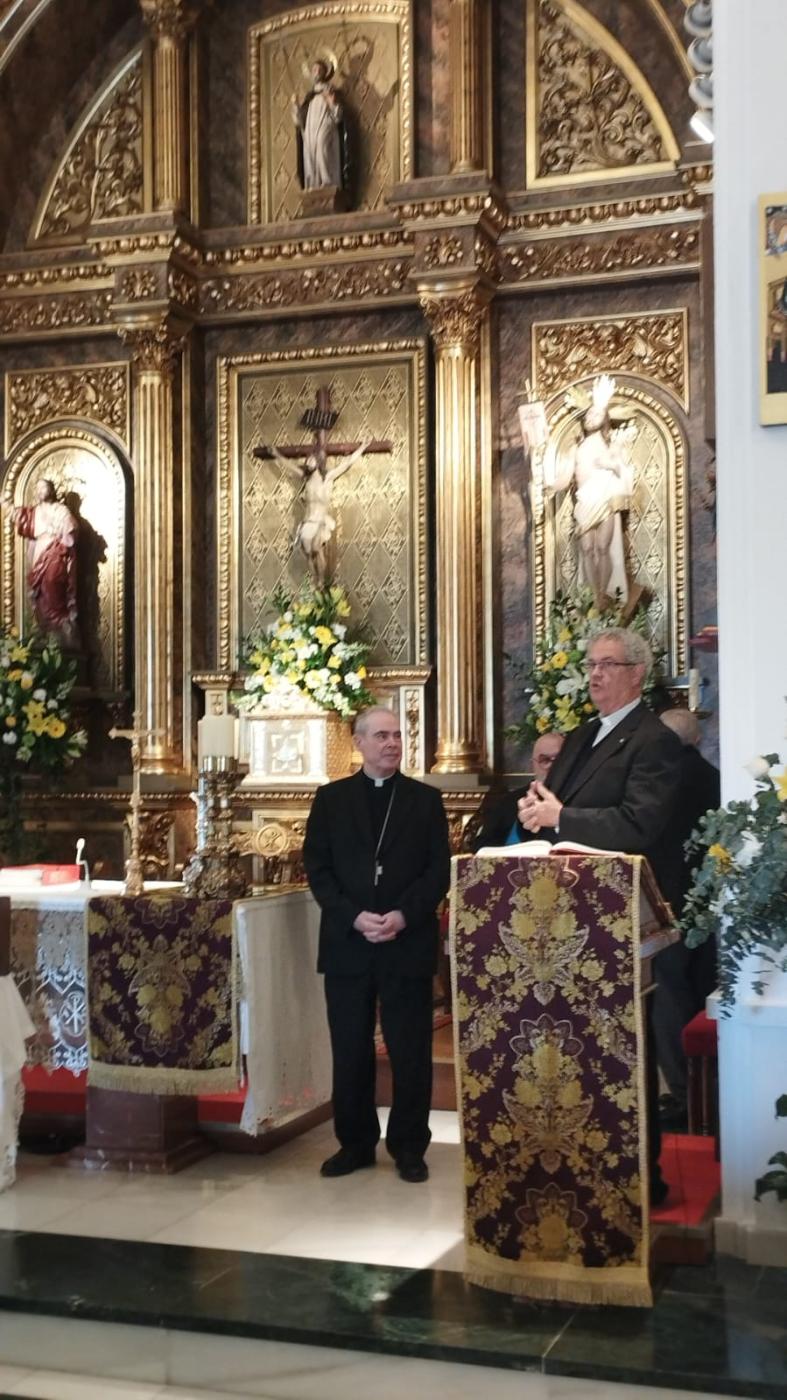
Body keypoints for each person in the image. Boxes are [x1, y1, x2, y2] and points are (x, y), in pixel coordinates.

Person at [517, 627, 685, 1204]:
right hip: (564, 922)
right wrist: (537, 811)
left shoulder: (653, 739)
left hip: (619, 922)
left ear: (637, 672)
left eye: (606, 665)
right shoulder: (584, 735)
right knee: (578, 1050)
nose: (593, 674)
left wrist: (561, 817)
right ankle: (581, 1158)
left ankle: (642, 1175)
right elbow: (554, 807)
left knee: (625, 1050)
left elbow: (640, 825)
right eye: (590, 664)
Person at [303, 706, 451, 1183]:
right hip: (349, 941)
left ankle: (409, 1146)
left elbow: (438, 870)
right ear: (359, 742)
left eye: (397, 735)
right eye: (381, 735)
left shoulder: (425, 801)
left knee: (410, 1050)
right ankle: (355, 1143)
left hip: (405, 940)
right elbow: (318, 870)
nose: (391, 743)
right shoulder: (331, 800)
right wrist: (354, 916)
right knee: (350, 1048)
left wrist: (403, 915)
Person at [653, 707, 721, 1127]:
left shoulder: (659, 782)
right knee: (702, 993)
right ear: (696, 740)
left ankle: (681, 1095)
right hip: (709, 903)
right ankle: (708, 1094)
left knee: (668, 998)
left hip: (666, 903)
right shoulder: (716, 776)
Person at [547, 375, 636, 610]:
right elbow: (564, 479)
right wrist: (544, 484)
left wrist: (613, 464)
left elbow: (621, 469)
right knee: (587, 549)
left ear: (604, 419)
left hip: (604, 499)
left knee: (602, 548)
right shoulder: (576, 448)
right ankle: (593, 593)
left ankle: (602, 595)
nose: (590, 418)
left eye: (596, 414)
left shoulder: (610, 446)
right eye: (588, 415)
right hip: (585, 500)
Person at [263, 431, 369, 585]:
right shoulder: (305, 479)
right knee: (308, 553)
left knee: (316, 548)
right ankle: (315, 582)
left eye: (311, 459)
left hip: (320, 521)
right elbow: (289, 466)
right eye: (307, 460)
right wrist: (276, 454)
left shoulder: (327, 478)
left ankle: (321, 580)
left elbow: (346, 464)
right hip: (307, 521)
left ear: (318, 462)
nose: (308, 461)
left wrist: (362, 448)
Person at [469, 732, 565, 851]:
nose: (551, 766)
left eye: (558, 760)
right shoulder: (508, 802)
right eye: (544, 760)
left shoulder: (577, 800)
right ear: (532, 764)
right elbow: (481, 847)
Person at [13, 478, 79, 648]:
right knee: (40, 590)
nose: (40, 491)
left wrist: (63, 532)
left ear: (51, 489)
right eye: (38, 488)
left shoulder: (60, 509)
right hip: (39, 550)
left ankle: (61, 625)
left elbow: (71, 528)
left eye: (44, 487)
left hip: (55, 550)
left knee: (52, 583)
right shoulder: (33, 512)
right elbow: (19, 518)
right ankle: (44, 627)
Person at [292, 59, 345, 190]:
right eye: (314, 70)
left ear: (325, 73)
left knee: (322, 147)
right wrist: (295, 105)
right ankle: (314, 184)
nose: (317, 73)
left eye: (319, 70)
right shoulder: (310, 96)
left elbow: (338, 116)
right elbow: (299, 121)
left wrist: (332, 102)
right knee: (311, 153)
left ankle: (328, 181)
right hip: (311, 128)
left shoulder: (329, 90)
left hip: (326, 123)